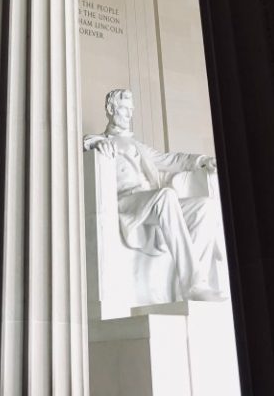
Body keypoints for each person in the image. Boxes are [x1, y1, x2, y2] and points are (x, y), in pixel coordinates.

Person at [83, 88, 227, 301]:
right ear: (111, 109)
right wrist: (96, 143)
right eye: (124, 109)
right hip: (126, 203)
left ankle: (190, 283)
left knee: (206, 207)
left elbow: (173, 160)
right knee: (166, 196)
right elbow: (82, 143)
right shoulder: (100, 140)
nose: (129, 115)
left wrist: (203, 161)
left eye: (131, 110)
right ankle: (192, 284)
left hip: (150, 200)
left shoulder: (137, 145)